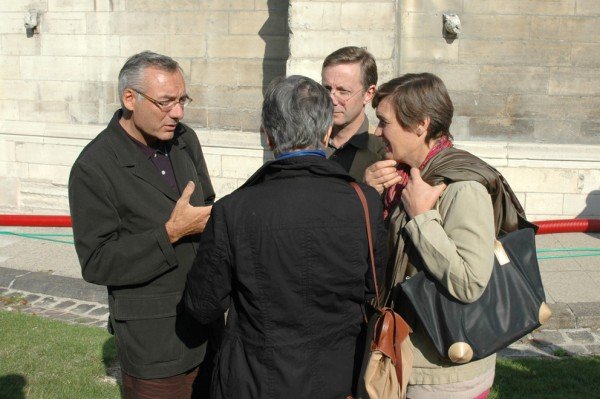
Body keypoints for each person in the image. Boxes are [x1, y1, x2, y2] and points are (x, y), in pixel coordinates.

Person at [184, 75, 387, 399]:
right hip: (332, 378)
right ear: (325, 132)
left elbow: (202, 304)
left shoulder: (233, 210)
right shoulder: (363, 202)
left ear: (267, 136)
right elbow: (373, 288)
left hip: (260, 381)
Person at [369, 73, 531, 399]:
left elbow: (470, 281)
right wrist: (369, 196)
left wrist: (422, 218)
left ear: (420, 125)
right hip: (409, 359)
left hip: (446, 374)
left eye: (384, 122)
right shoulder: (403, 180)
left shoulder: (462, 186)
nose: (377, 132)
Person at [69, 51, 219, 399]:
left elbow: (207, 203)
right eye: (166, 102)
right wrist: (170, 233)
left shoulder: (185, 138)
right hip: (155, 344)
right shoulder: (94, 167)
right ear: (129, 99)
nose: (178, 113)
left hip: (208, 325)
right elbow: (97, 262)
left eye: (182, 100)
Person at [321, 46, 386, 181]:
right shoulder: (304, 143)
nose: (331, 99)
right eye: (326, 89)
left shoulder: (383, 151)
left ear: (368, 94)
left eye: (343, 91)